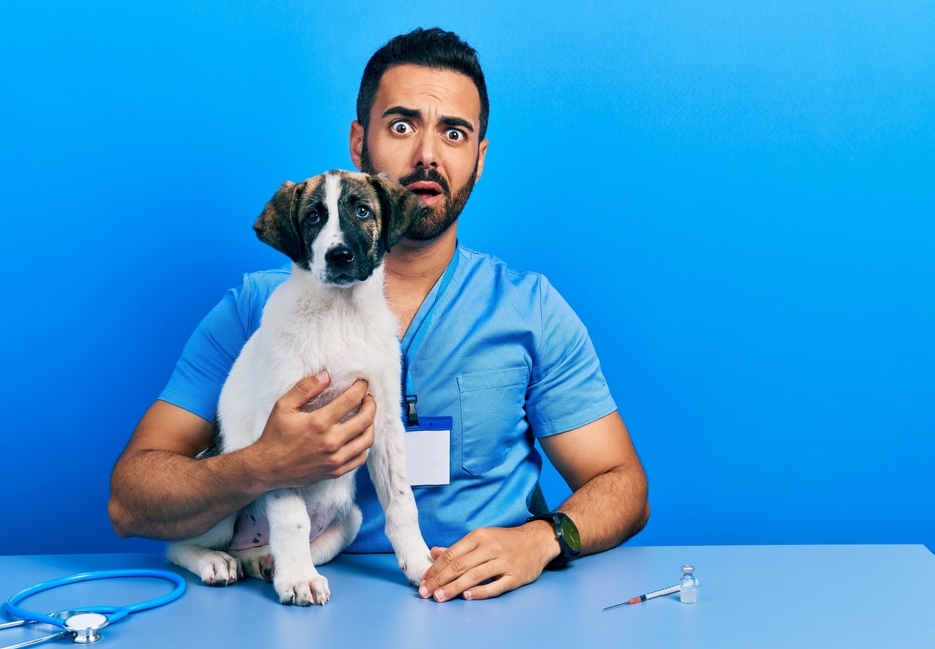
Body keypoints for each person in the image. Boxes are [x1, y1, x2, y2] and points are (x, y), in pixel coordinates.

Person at [109, 27, 649, 602]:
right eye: (401, 125)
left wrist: (542, 539)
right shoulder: (253, 309)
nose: (427, 154)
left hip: (480, 607)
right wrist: (259, 465)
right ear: (358, 143)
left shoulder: (529, 309)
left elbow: (624, 487)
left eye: (454, 132)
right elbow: (129, 502)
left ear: (479, 157)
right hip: (292, 599)